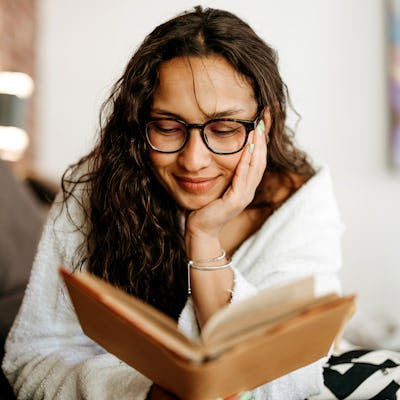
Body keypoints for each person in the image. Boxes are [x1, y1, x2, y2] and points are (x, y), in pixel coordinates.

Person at [2, 6, 344, 400]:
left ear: (265, 122)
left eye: (224, 128)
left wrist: (204, 235)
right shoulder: (93, 190)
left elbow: (285, 376)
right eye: (167, 127)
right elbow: (32, 361)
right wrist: (145, 392)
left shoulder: (302, 201)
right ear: (139, 120)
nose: (194, 160)